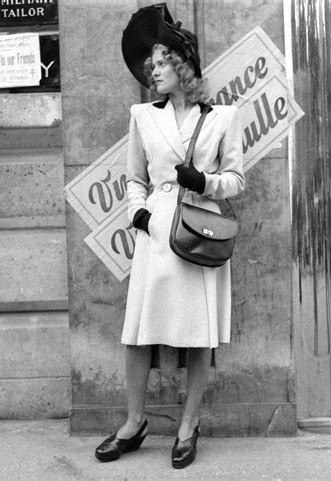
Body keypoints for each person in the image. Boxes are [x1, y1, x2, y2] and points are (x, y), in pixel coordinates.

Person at [95, 4, 245, 469]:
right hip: (157, 231)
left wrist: (204, 182)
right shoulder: (142, 116)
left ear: (183, 65)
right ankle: (134, 422)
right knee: (139, 333)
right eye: (151, 65)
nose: (153, 71)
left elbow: (236, 179)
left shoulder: (223, 116)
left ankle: (188, 425)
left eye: (161, 63)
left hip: (200, 228)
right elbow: (134, 179)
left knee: (198, 336)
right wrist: (137, 213)